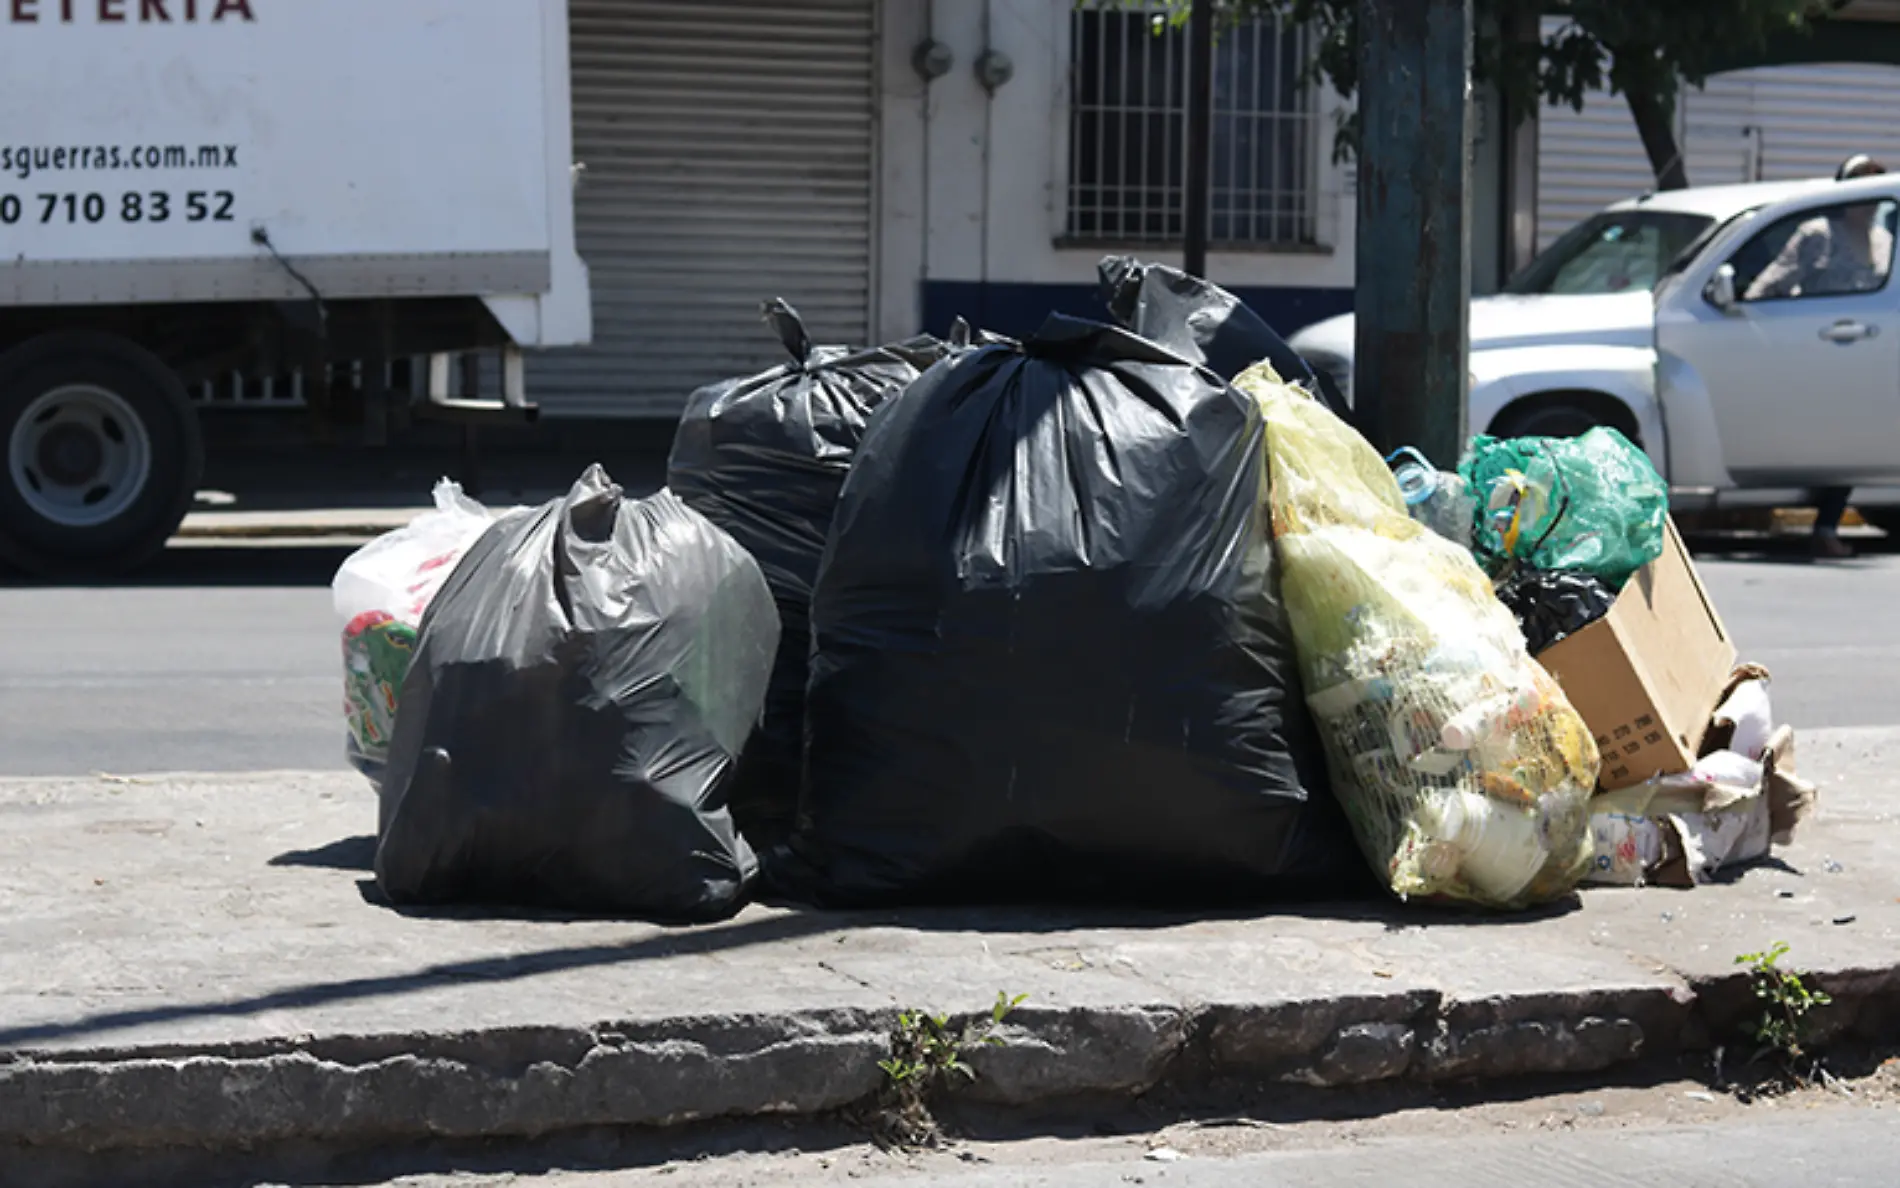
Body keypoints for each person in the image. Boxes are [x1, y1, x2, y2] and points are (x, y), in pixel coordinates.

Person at [1745, 154, 1891, 557]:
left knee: (1850, 441)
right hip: (1815, 353)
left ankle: (1826, 523)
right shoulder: (1817, 234)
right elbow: (1770, 285)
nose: (1868, 204)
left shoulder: (1883, 241)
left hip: (1865, 358)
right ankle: (1819, 524)